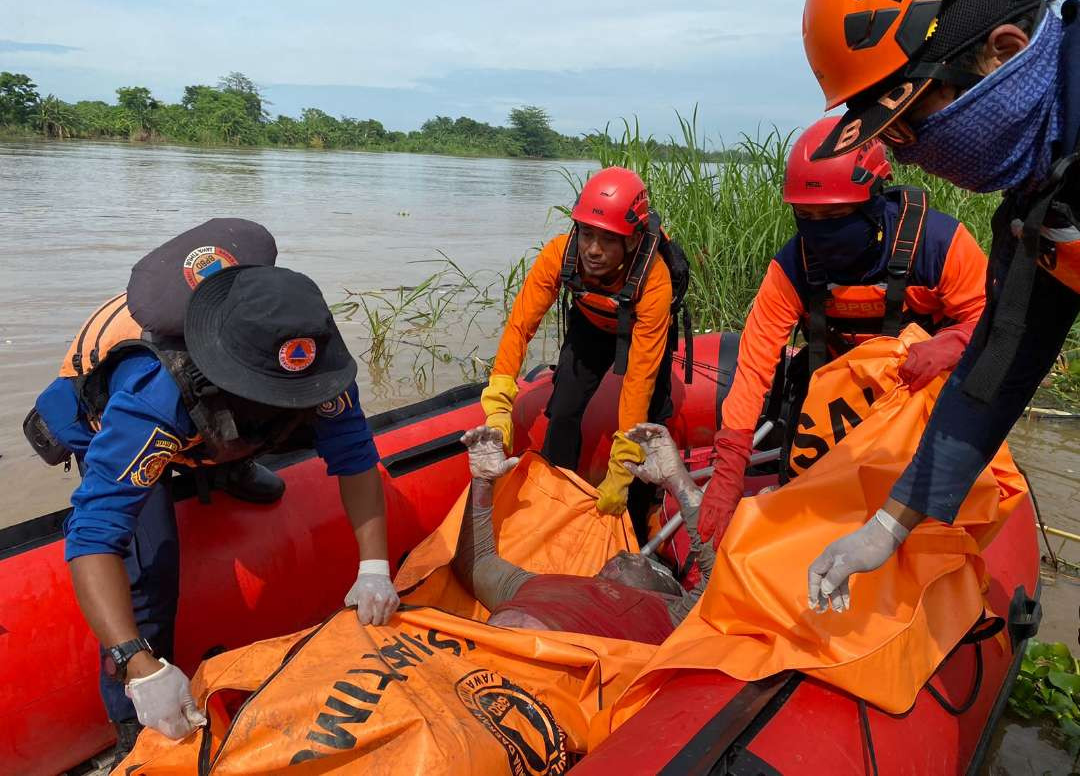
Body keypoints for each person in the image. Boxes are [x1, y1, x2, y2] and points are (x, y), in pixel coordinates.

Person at [26, 220, 399, 764]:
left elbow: (356, 458)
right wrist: (136, 661)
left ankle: (221, 468)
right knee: (149, 572)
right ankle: (131, 725)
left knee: (263, 459)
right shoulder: (153, 400)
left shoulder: (310, 353)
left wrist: (374, 569)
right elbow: (92, 538)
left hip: (222, 414)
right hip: (102, 412)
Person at [800, 0, 1078, 611]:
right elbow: (993, 374)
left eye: (906, 122)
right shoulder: (1037, 210)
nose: (905, 157)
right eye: (886, 136)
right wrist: (890, 524)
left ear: (1003, 51)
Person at [698, 118, 987, 549]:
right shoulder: (792, 267)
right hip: (831, 390)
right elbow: (755, 364)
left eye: (834, 216)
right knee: (802, 498)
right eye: (808, 216)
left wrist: (956, 341)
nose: (820, 230)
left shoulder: (937, 244)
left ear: (871, 202)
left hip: (913, 389)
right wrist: (728, 470)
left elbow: (993, 320)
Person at [480, 167, 685, 539]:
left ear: (634, 239)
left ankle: (637, 521)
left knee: (649, 423)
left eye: (608, 239)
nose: (592, 249)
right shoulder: (560, 253)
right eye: (587, 233)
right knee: (563, 409)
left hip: (640, 329)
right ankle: (556, 502)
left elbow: (638, 378)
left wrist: (621, 466)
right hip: (590, 326)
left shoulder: (655, 281)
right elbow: (520, 326)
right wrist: (498, 403)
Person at [453, 424, 710, 643]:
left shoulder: (672, 617)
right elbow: (476, 562)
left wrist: (677, 479)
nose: (627, 553)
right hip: (480, 667)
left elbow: (721, 573)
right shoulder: (545, 583)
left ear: (666, 591)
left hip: (534, 680)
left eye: (645, 563)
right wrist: (483, 481)